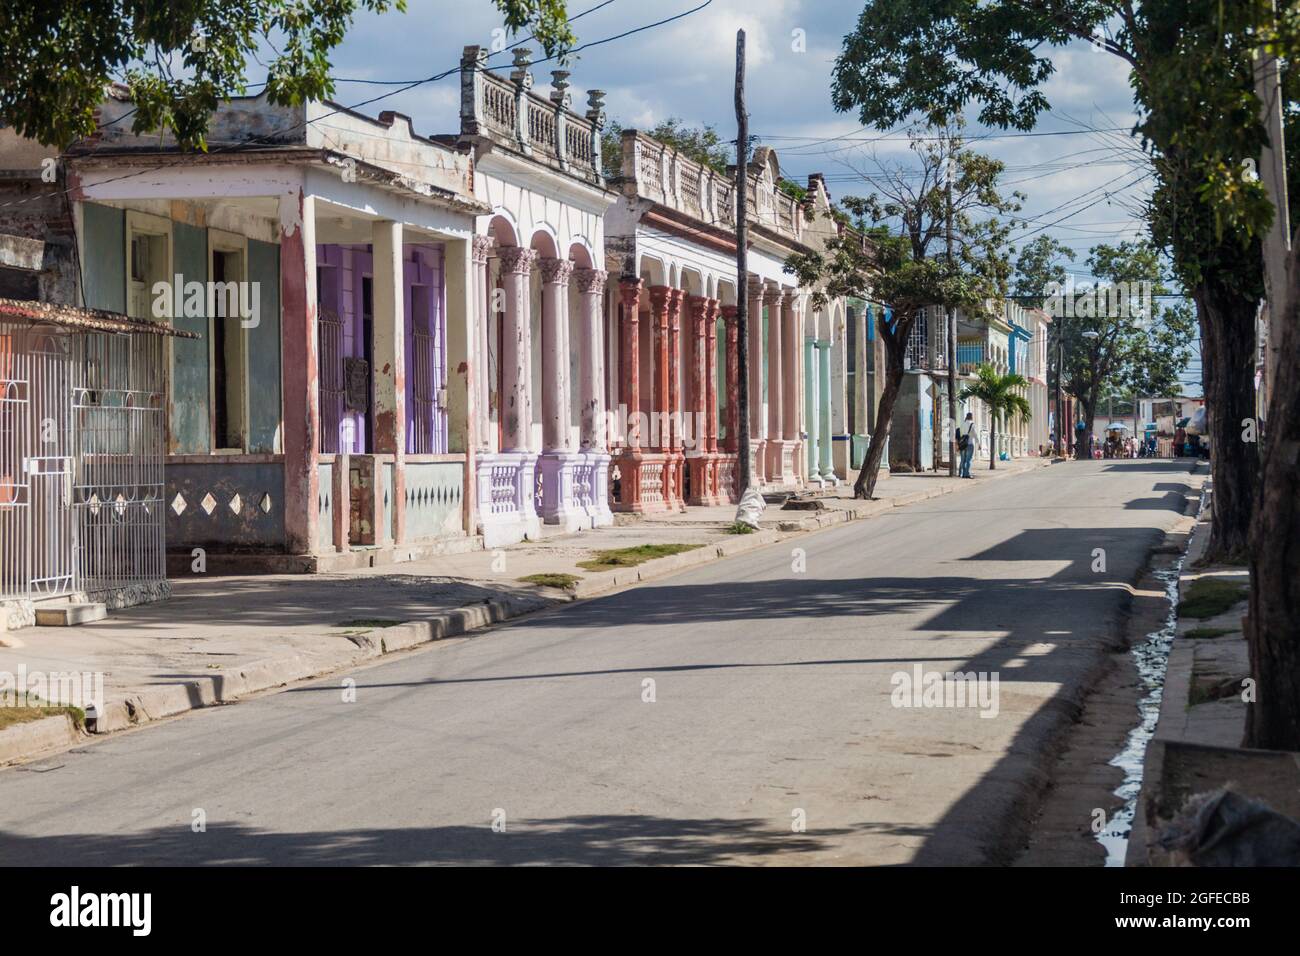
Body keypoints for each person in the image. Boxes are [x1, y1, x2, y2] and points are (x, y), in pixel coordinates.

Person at [957, 412, 976, 478]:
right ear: (971, 417)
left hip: (963, 444)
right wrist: (978, 443)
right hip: (970, 444)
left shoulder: (962, 424)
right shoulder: (972, 424)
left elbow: (961, 434)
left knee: (963, 460)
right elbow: (975, 435)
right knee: (968, 460)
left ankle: (961, 473)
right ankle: (966, 474)